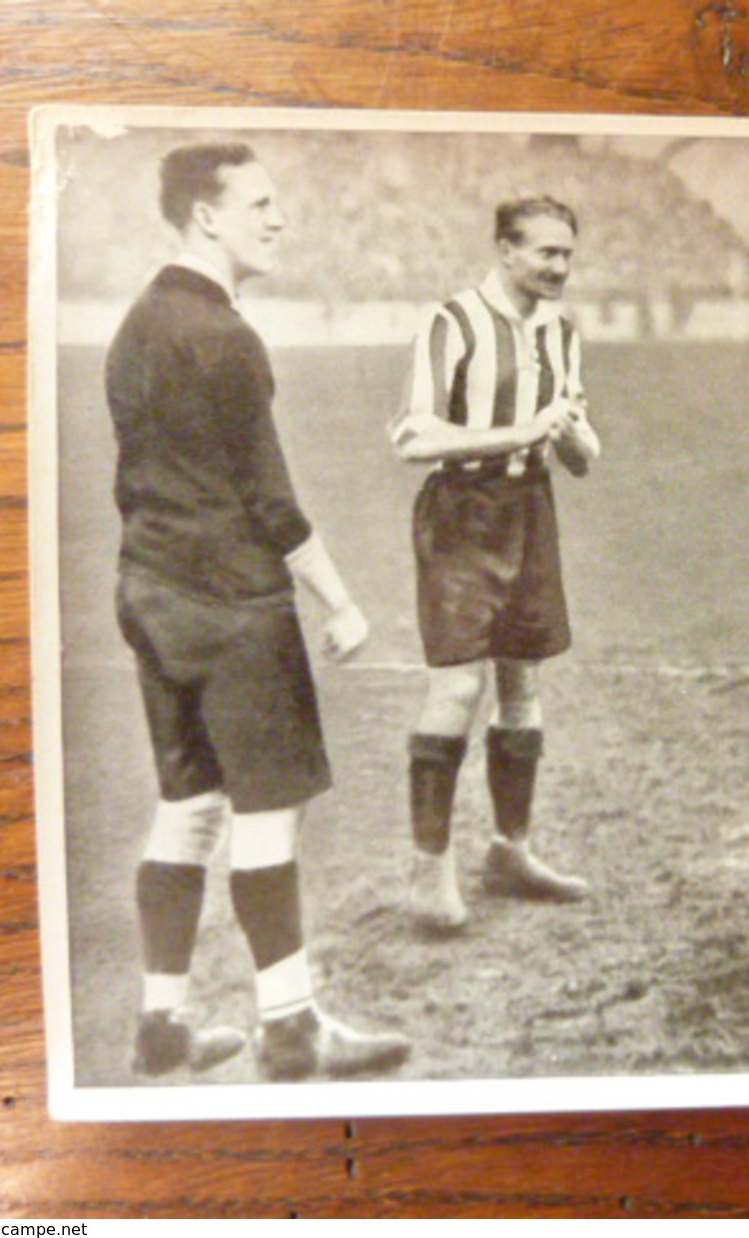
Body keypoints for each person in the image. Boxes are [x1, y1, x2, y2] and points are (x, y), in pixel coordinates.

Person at [107, 142, 410, 1080]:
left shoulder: (132, 327)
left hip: (151, 594)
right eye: (262, 204)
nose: (280, 220)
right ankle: (291, 1028)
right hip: (233, 602)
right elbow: (271, 502)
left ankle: (163, 1026)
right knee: (267, 812)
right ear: (207, 215)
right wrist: (344, 601)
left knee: (187, 806)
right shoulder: (227, 337)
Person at [390, 196, 601, 932]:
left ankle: (511, 850)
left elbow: (579, 455)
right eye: (546, 253)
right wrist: (520, 429)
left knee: (522, 686)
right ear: (505, 250)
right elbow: (413, 437)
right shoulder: (452, 322)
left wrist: (570, 435)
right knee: (455, 691)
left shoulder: (562, 332)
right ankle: (429, 874)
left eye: (568, 254)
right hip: (462, 514)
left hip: (529, 508)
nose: (560, 268)